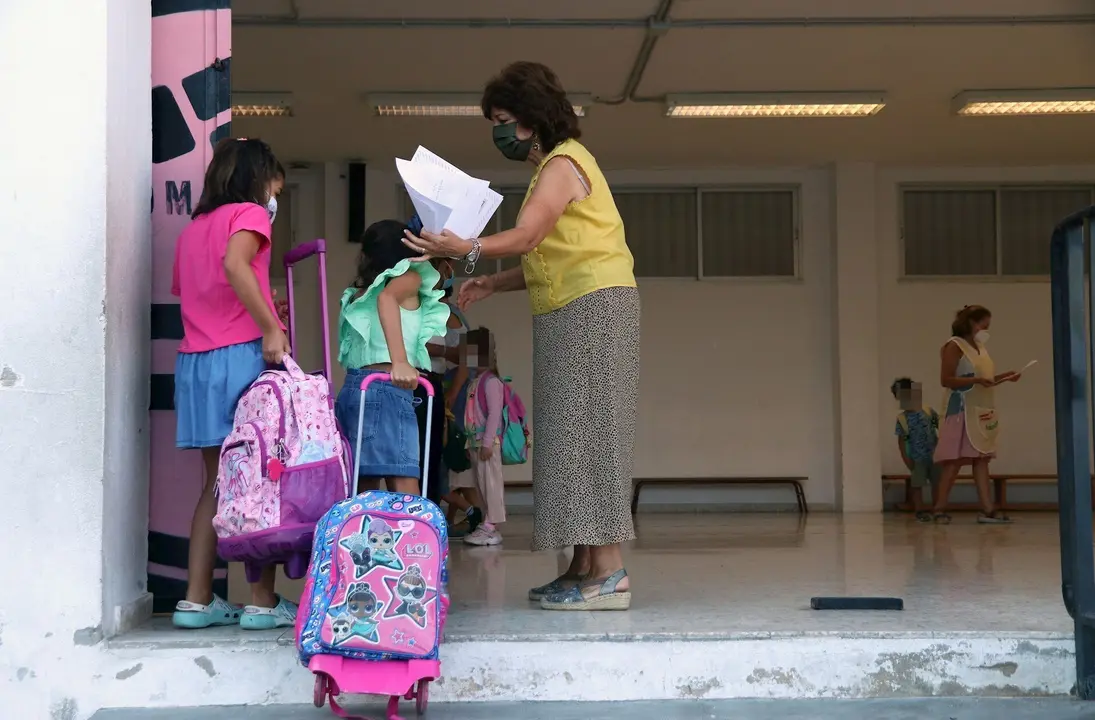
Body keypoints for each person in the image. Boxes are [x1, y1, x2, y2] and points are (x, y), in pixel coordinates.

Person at [403, 61, 640, 611]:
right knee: (566, 437)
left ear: (533, 117)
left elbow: (529, 233)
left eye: (505, 118)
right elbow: (548, 253)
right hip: (568, 308)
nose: (500, 131)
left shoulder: (562, 164)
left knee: (590, 434)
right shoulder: (550, 170)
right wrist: (491, 281)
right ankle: (582, 565)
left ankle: (610, 572)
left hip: (594, 309)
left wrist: (469, 249)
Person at [171, 138, 297, 630]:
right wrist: (270, 327)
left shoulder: (193, 228)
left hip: (195, 365)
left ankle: (196, 600)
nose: (274, 198)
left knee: (216, 485)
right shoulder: (249, 214)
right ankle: (262, 603)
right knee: (257, 481)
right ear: (257, 178)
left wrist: (265, 309)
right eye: (275, 187)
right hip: (239, 361)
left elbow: (207, 294)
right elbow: (234, 266)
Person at [334, 219, 450, 497]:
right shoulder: (409, 277)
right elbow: (387, 299)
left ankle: (368, 539)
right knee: (404, 479)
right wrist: (400, 361)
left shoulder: (360, 291)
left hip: (355, 388)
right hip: (388, 388)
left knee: (364, 486)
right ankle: (411, 539)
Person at [931, 305, 1020, 524]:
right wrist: (976, 381)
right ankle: (939, 508)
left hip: (982, 411)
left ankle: (988, 510)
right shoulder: (954, 346)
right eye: (984, 325)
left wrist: (1005, 377)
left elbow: (985, 380)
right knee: (954, 461)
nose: (986, 330)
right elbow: (946, 380)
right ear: (972, 322)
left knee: (981, 460)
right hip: (960, 410)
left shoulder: (981, 348)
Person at [461, 327, 509, 547]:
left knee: (490, 484)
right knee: (480, 484)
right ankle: (486, 520)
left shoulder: (491, 382)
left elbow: (494, 413)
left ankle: (491, 525)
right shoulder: (476, 380)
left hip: (486, 442)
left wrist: (488, 442)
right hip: (475, 441)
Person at [891, 377, 941, 522]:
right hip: (916, 458)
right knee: (917, 484)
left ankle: (937, 509)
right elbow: (901, 441)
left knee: (937, 483)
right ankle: (919, 511)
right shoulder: (902, 419)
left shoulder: (929, 411)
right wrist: (906, 459)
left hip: (934, 455)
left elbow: (940, 429)